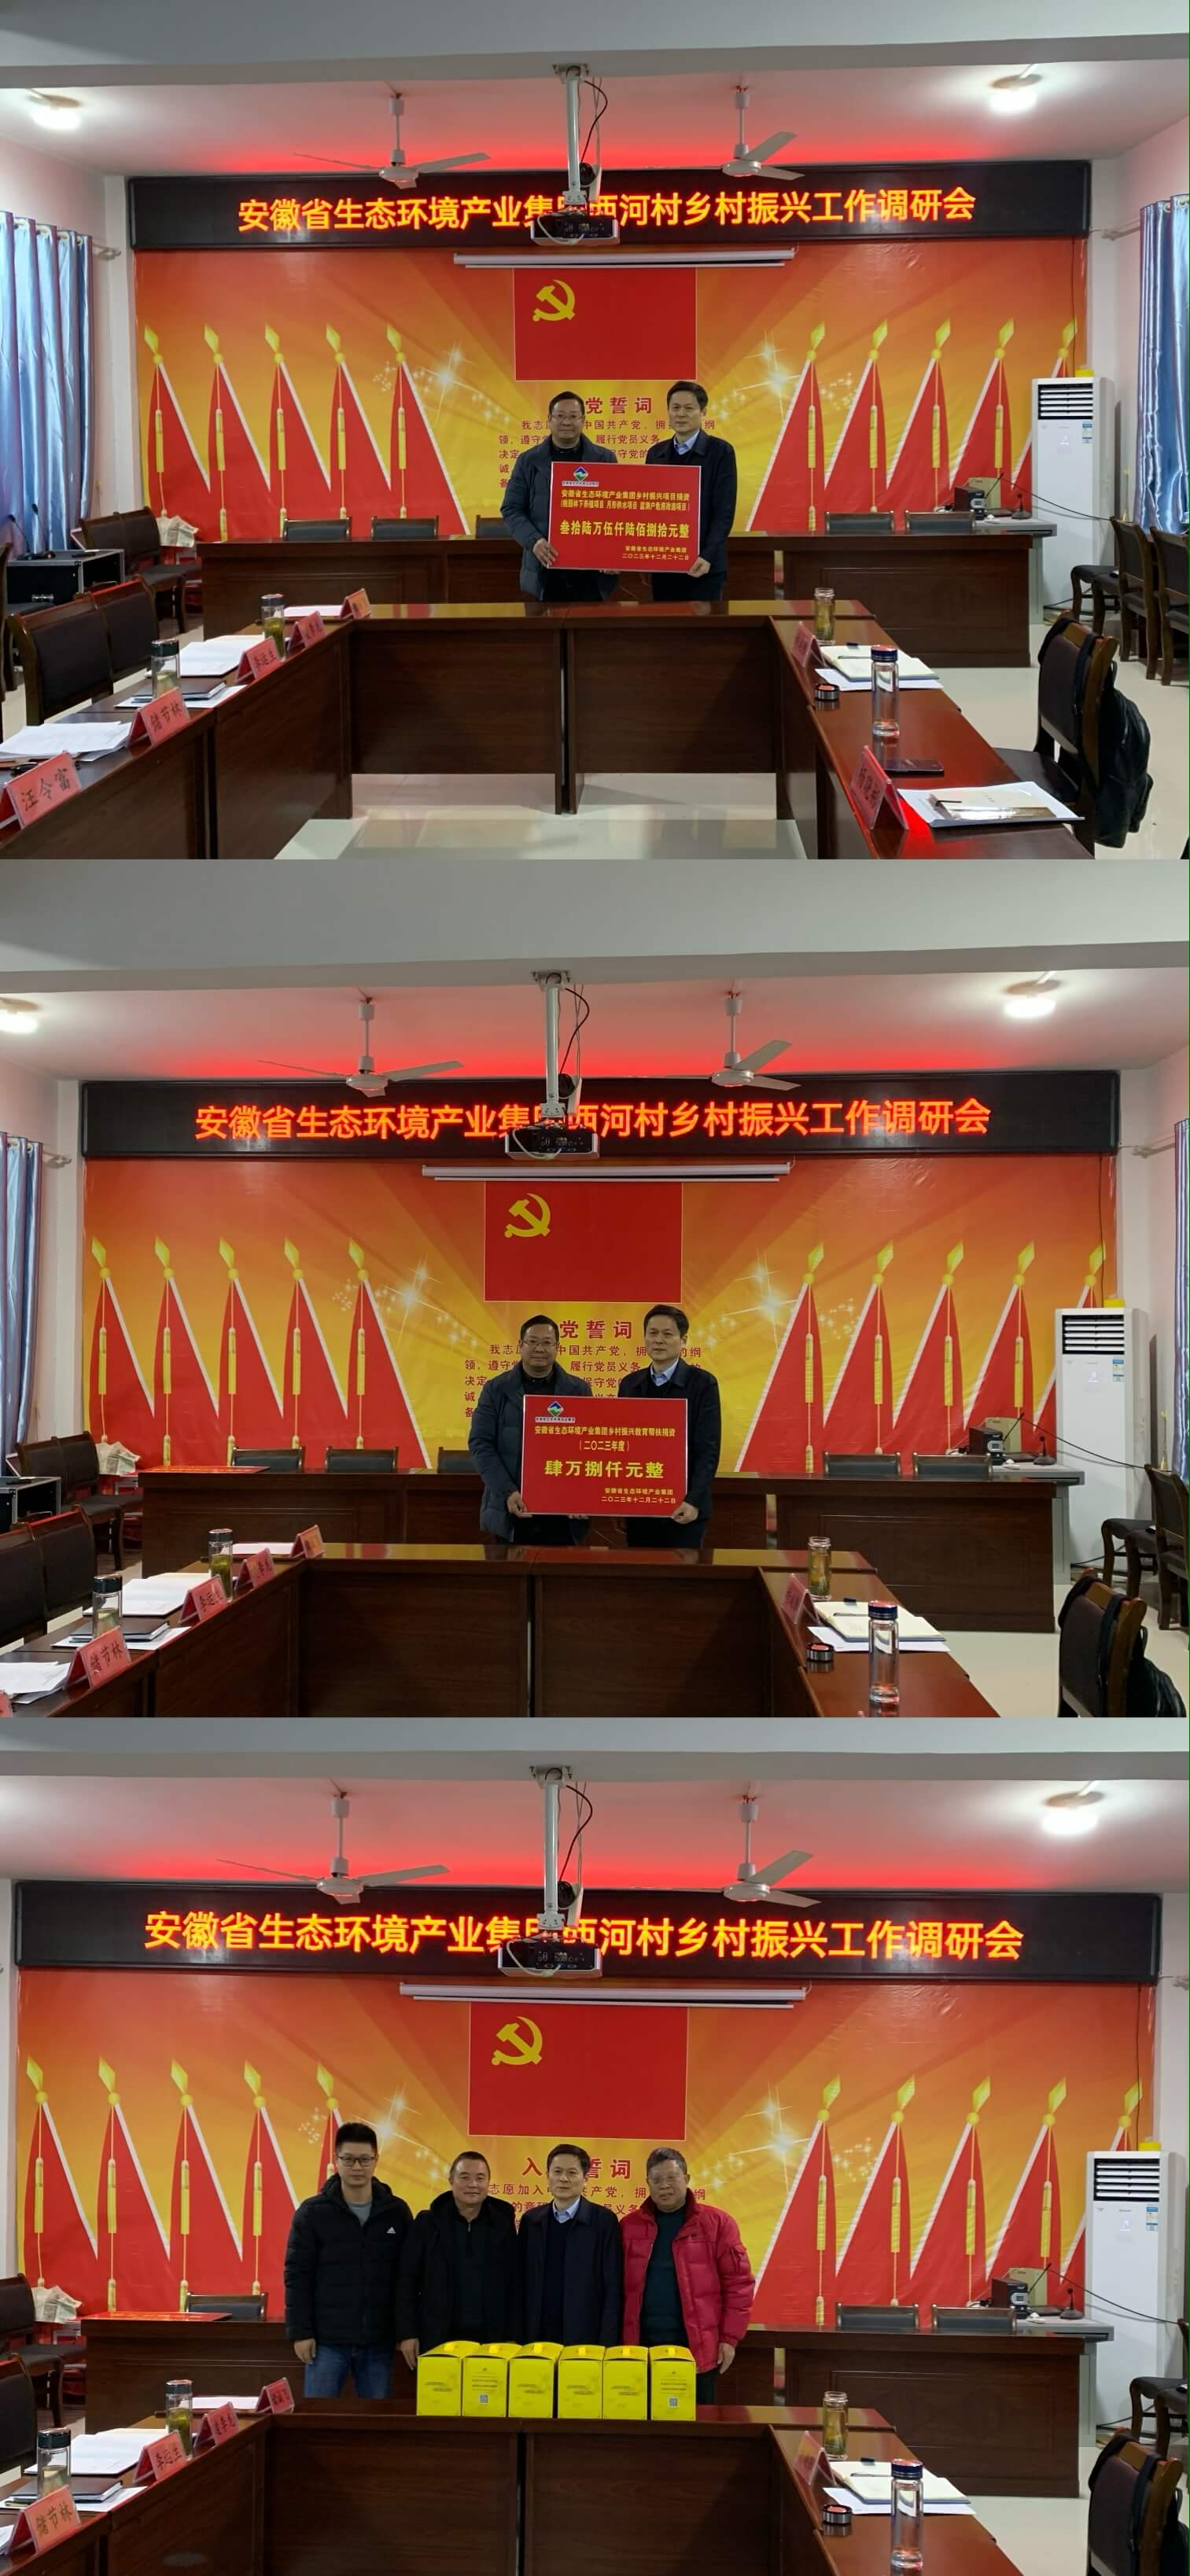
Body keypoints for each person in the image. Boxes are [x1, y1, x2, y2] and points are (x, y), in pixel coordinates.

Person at [283, 2120, 411, 2398]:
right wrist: (301, 2332)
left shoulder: (396, 2212)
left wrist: (406, 2332)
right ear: (336, 2160)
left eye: (365, 2159)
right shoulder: (312, 2213)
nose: (357, 2167)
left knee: (374, 2418)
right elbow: (298, 2276)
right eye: (349, 2159)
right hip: (326, 2342)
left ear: (376, 2160)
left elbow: (407, 2278)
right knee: (319, 2417)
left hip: (379, 2341)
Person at [621, 2147, 755, 2402]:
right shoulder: (628, 2227)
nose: (664, 2186)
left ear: (687, 2178)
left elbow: (739, 2284)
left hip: (696, 2347)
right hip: (640, 2346)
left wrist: (729, 2338)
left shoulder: (718, 2224)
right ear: (647, 2183)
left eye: (672, 2177)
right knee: (640, 2420)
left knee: (695, 2421)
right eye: (657, 2180)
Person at [468, 1313, 593, 1544]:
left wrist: (579, 1496)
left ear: (557, 1347)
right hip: (511, 1508)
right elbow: (480, 1444)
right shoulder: (496, 1390)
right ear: (520, 1345)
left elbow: (589, 1447)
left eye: (547, 1343)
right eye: (532, 1341)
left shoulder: (578, 1390)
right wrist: (507, 1491)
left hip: (562, 1515)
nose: (539, 1349)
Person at [396, 2150, 518, 2367]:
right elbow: (406, 2281)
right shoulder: (427, 2223)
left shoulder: (503, 2224)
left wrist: (514, 2335)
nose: (473, 2184)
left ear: (488, 2183)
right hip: (438, 2336)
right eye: (464, 2177)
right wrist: (407, 2333)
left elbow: (515, 2282)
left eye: (480, 2178)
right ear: (451, 2180)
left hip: (492, 2339)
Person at [617, 1305, 721, 1551]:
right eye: (652, 1333)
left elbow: (708, 1449)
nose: (659, 1340)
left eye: (667, 1334)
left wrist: (693, 1500)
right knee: (640, 1572)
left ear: (683, 1340)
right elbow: (622, 1444)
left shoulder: (703, 1384)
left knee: (681, 1573)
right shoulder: (630, 1384)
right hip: (640, 1507)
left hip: (684, 1509)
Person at [501, 391, 619, 603]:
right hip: (545, 569)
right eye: (560, 416)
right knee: (546, 624)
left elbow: (617, 511)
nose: (566, 422)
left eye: (573, 416)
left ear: (583, 420)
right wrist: (535, 541)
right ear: (549, 420)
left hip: (592, 573)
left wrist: (611, 553)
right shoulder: (528, 461)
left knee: (592, 623)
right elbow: (511, 509)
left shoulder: (604, 459)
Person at [518, 2143, 623, 2346]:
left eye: (572, 2173)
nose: (563, 2179)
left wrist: (608, 2342)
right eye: (557, 2172)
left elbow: (613, 2287)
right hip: (537, 2334)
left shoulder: (604, 2222)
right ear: (547, 2176)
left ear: (585, 2178)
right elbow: (520, 2283)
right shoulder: (531, 2221)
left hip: (586, 2336)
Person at [646, 381, 738, 603]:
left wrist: (707, 555)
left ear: (703, 412)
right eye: (675, 408)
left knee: (703, 625)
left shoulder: (721, 452)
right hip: (665, 566)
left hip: (704, 566)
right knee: (666, 623)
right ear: (668, 412)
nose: (681, 414)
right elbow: (649, 508)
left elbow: (724, 512)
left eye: (689, 408)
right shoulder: (655, 453)